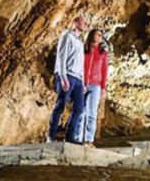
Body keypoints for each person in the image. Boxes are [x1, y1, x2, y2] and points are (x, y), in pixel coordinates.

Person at [47, 15, 87, 144]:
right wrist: (63, 76)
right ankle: (51, 135)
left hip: (77, 78)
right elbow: (61, 57)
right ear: (75, 23)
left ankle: (70, 135)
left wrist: (83, 80)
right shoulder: (67, 36)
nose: (86, 24)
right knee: (61, 105)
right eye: (83, 21)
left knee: (80, 107)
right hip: (68, 75)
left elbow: (81, 63)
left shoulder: (80, 42)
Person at [77, 29, 109, 146]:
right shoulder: (83, 50)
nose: (100, 37)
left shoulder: (103, 53)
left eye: (101, 35)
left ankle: (89, 140)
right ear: (92, 35)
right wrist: (80, 82)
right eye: (98, 34)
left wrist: (103, 87)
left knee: (91, 113)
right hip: (82, 84)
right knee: (80, 112)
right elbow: (79, 66)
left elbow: (104, 70)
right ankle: (78, 138)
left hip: (95, 86)